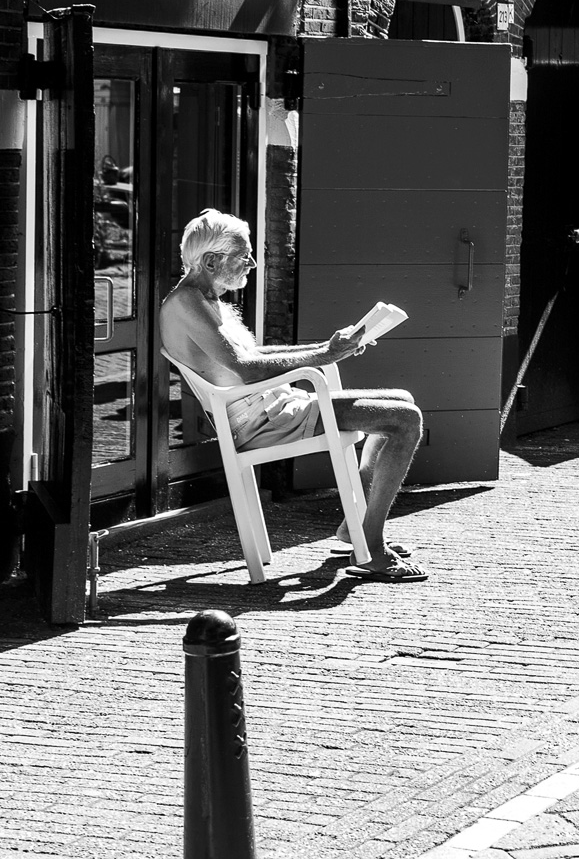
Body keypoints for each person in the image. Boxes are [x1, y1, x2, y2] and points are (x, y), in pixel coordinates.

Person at [160, 209, 428, 582]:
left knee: (402, 399)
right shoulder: (186, 303)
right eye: (244, 256)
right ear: (210, 261)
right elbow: (248, 370)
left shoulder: (206, 300)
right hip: (264, 422)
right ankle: (371, 544)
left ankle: (358, 528)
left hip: (275, 409)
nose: (252, 263)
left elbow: (253, 357)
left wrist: (328, 347)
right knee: (405, 420)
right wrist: (324, 356)